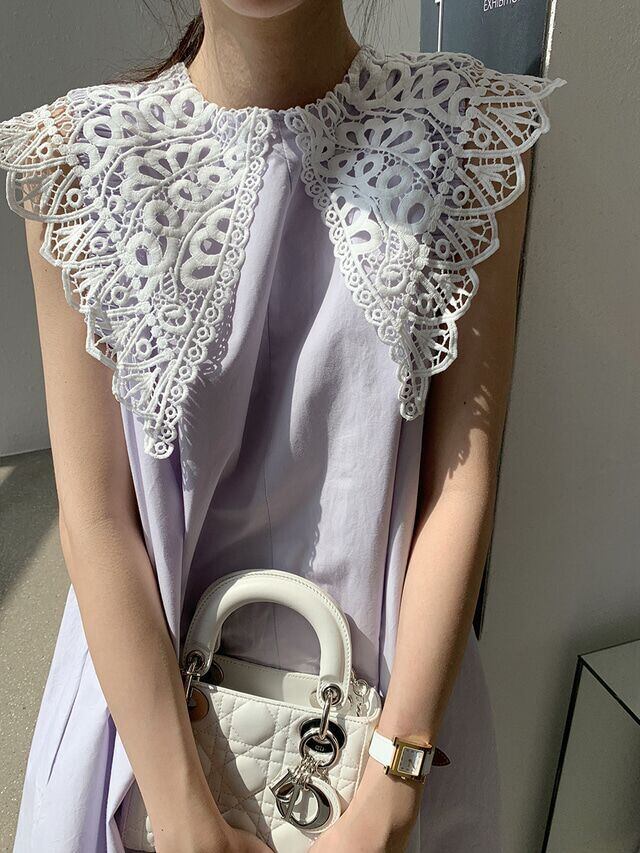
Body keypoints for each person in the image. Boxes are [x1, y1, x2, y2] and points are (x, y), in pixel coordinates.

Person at [0, 1, 564, 851]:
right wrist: (184, 818)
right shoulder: (74, 162)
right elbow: (95, 517)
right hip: (138, 756)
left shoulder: (470, 135)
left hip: (391, 743)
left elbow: (462, 480)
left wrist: (393, 790)